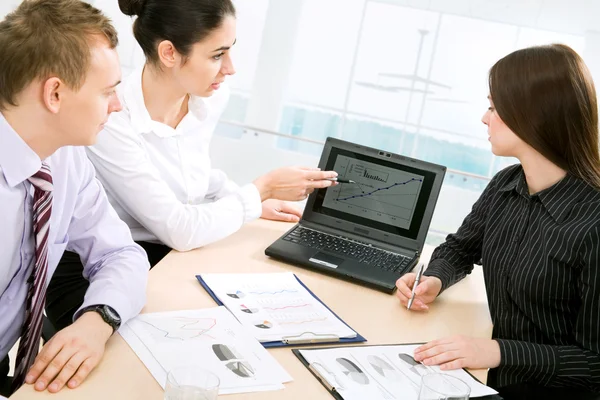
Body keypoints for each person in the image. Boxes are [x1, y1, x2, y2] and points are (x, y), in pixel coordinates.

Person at [45, 0, 338, 332]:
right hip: (97, 267)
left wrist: (250, 200)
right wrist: (258, 191)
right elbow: (180, 228)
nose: (230, 68)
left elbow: (192, 176)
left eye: (230, 52)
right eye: (216, 55)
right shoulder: (112, 117)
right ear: (169, 53)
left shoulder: (208, 98)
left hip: (166, 252)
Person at [396, 44, 600, 400]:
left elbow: (596, 363)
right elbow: (460, 249)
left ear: (534, 114)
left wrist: (497, 351)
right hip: (491, 378)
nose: (484, 117)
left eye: (493, 107)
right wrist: (435, 279)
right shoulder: (506, 183)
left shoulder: (593, 224)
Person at [0, 0, 149, 396]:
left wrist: (96, 321)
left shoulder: (64, 159)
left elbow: (122, 254)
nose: (117, 106)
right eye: (107, 92)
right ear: (55, 93)